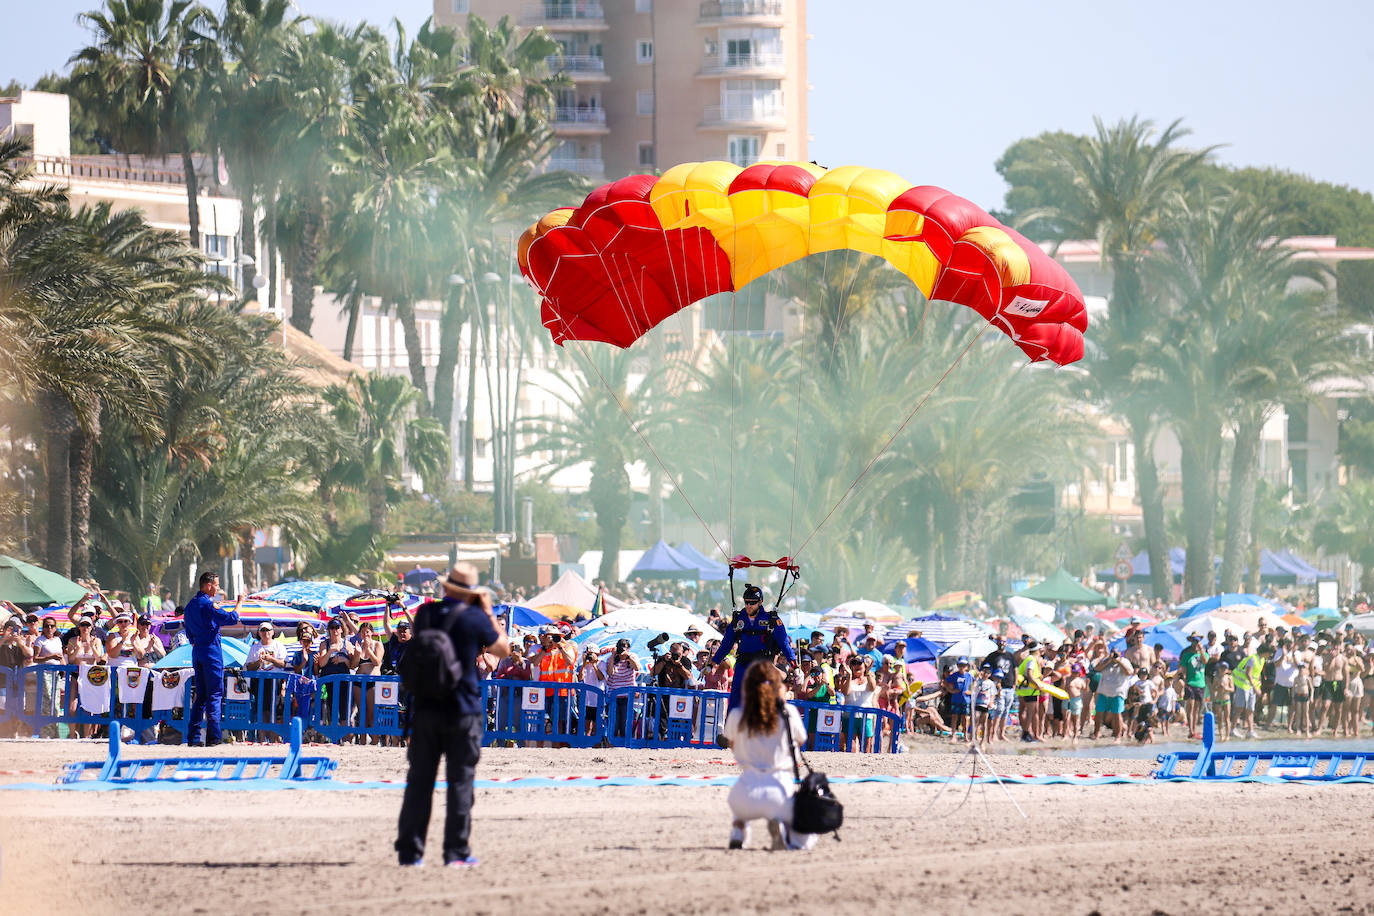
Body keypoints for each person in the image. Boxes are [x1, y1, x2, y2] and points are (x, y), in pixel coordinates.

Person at [395, 563, 509, 868]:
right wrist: (486, 611)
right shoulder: (474, 618)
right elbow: (504, 648)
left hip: (426, 708)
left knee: (419, 782)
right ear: (470, 592)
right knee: (460, 782)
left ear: (446, 588)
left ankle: (410, 852)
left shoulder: (426, 614)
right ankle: (456, 852)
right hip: (462, 709)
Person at [721, 660, 814, 851]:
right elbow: (802, 741)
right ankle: (782, 826)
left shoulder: (737, 714)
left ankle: (738, 829)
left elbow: (731, 743)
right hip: (779, 790)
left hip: (743, 794)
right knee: (807, 839)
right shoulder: (789, 713)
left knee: (740, 813)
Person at [711, 584, 796, 720]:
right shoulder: (738, 620)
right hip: (743, 664)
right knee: (736, 697)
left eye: (752, 603)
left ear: (760, 602)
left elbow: (784, 643)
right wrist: (713, 662)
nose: (749, 606)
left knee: (761, 698)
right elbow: (726, 644)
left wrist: (793, 663)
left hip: (762, 666)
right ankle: (730, 734)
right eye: (746, 603)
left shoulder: (771, 620)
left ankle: (762, 731)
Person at [183, 572, 243, 747]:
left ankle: (193, 737)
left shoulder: (190, 606)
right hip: (212, 651)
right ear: (208, 585)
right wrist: (240, 602)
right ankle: (213, 737)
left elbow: (189, 633)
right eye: (216, 585)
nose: (218, 588)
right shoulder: (207, 604)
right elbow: (231, 619)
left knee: (200, 695)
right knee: (215, 694)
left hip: (198, 651)